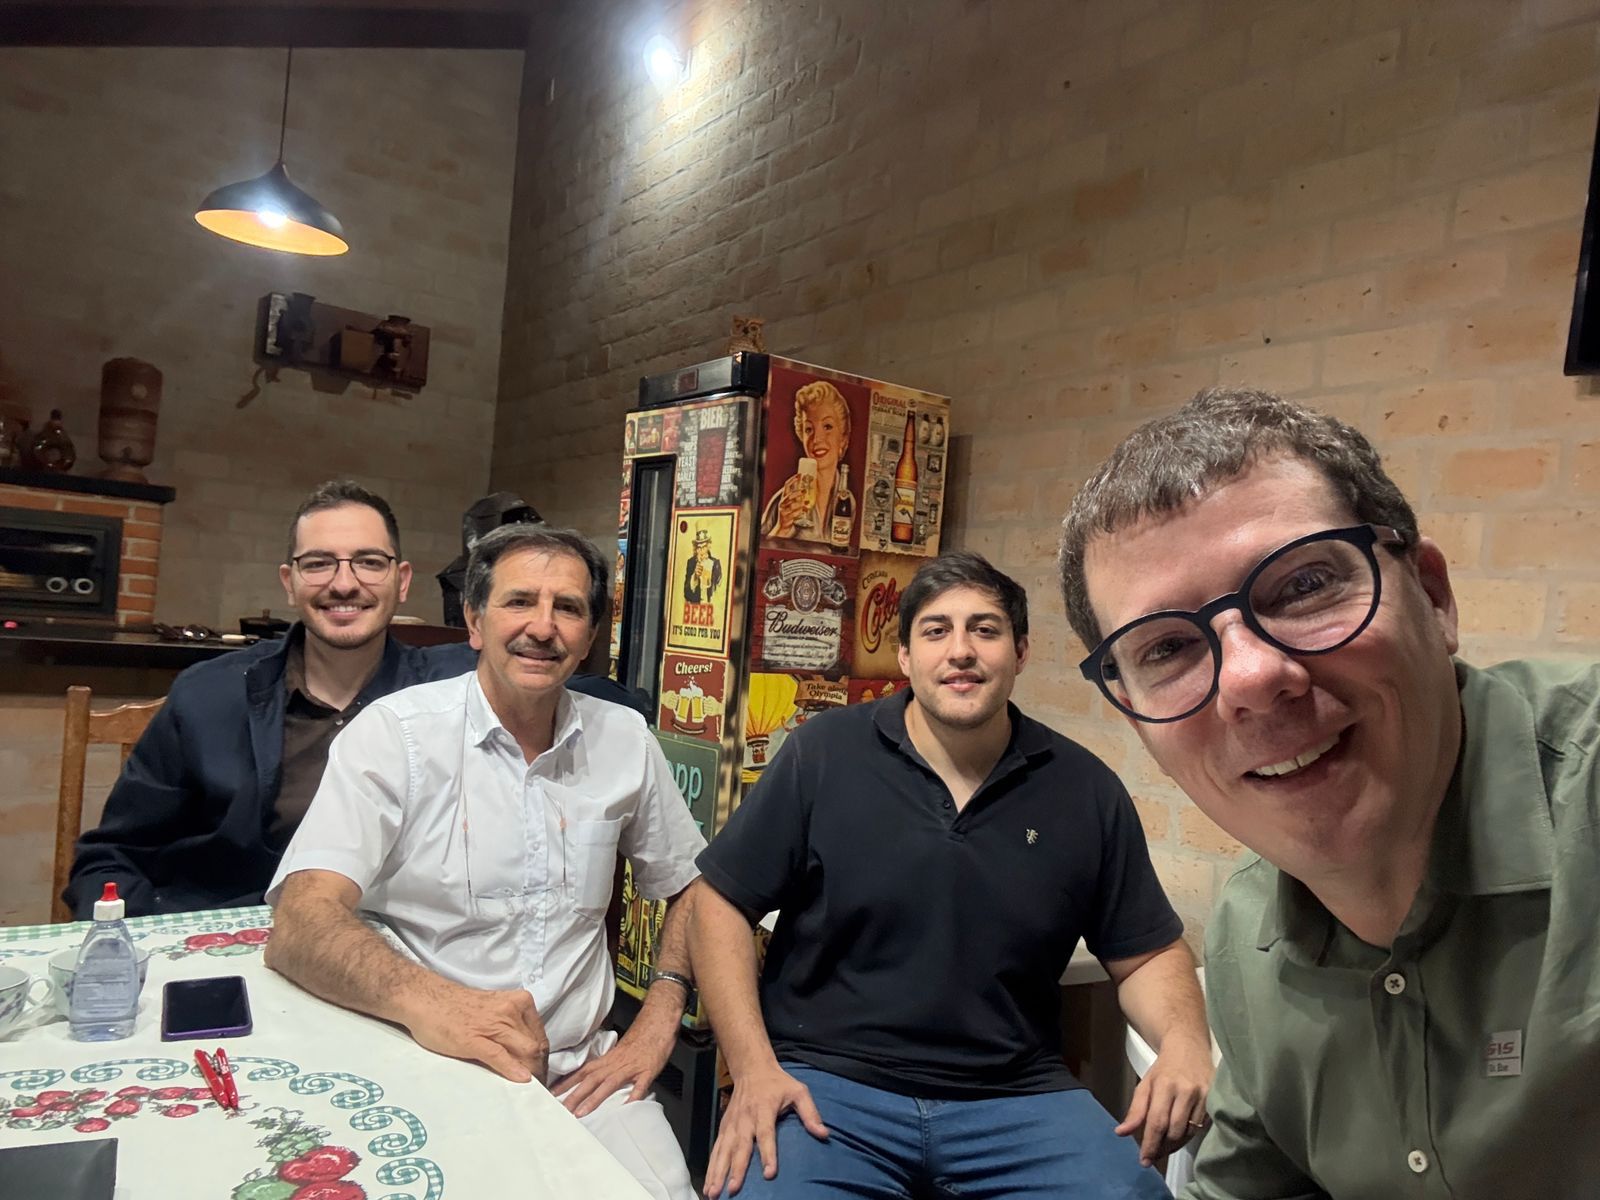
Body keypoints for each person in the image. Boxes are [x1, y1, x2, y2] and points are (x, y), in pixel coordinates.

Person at [1059, 386, 1600, 1198]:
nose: (1250, 678)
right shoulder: (1249, 936)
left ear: (1433, 597)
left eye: (1304, 585)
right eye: (1166, 648)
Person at [690, 551, 1212, 1199]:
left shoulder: (1085, 790)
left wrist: (1186, 1042)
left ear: (1021, 652)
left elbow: (1148, 953)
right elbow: (719, 903)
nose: (961, 650)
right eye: (936, 631)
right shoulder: (823, 754)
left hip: (1017, 1099)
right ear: (906, 657)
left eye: (985, 630)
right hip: (829, 1088)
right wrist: (752, 1069)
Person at [264, 524, 706, 1200]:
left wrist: (656, 1023)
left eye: (567, 608)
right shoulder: (397, 736)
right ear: (474, 621)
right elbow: (301, 921)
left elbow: (692, 890)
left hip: (582, 1080)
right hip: (422, 1061)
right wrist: (438, 1005)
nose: (543, 627)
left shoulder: (624, 739)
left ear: (590, 636)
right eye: (519, 601)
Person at [64, 481, 476, 918]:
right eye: (317, 563)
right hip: (229, 934)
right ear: (289, 583)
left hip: (390, 939)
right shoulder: (207, 695)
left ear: (402, 581)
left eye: (369, 562)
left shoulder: (452, 689)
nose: (344, 584)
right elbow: (111, 859)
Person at [760, 380, 855, 542]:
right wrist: (782, 527)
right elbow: (759, 551)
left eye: (827, 426)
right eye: (809, 429)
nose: (817, 439)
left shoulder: (849, 501)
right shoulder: (785, 502)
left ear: (843, 439)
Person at [684, 526, 724, 603]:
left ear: (708, 546)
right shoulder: (691, 563)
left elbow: (720, 590)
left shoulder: (715, 563)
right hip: (695, 606)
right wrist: (695, 577)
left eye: (704, 547)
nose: (702, 551)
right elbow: (686, 593)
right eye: (699, 548)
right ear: (696, 549)